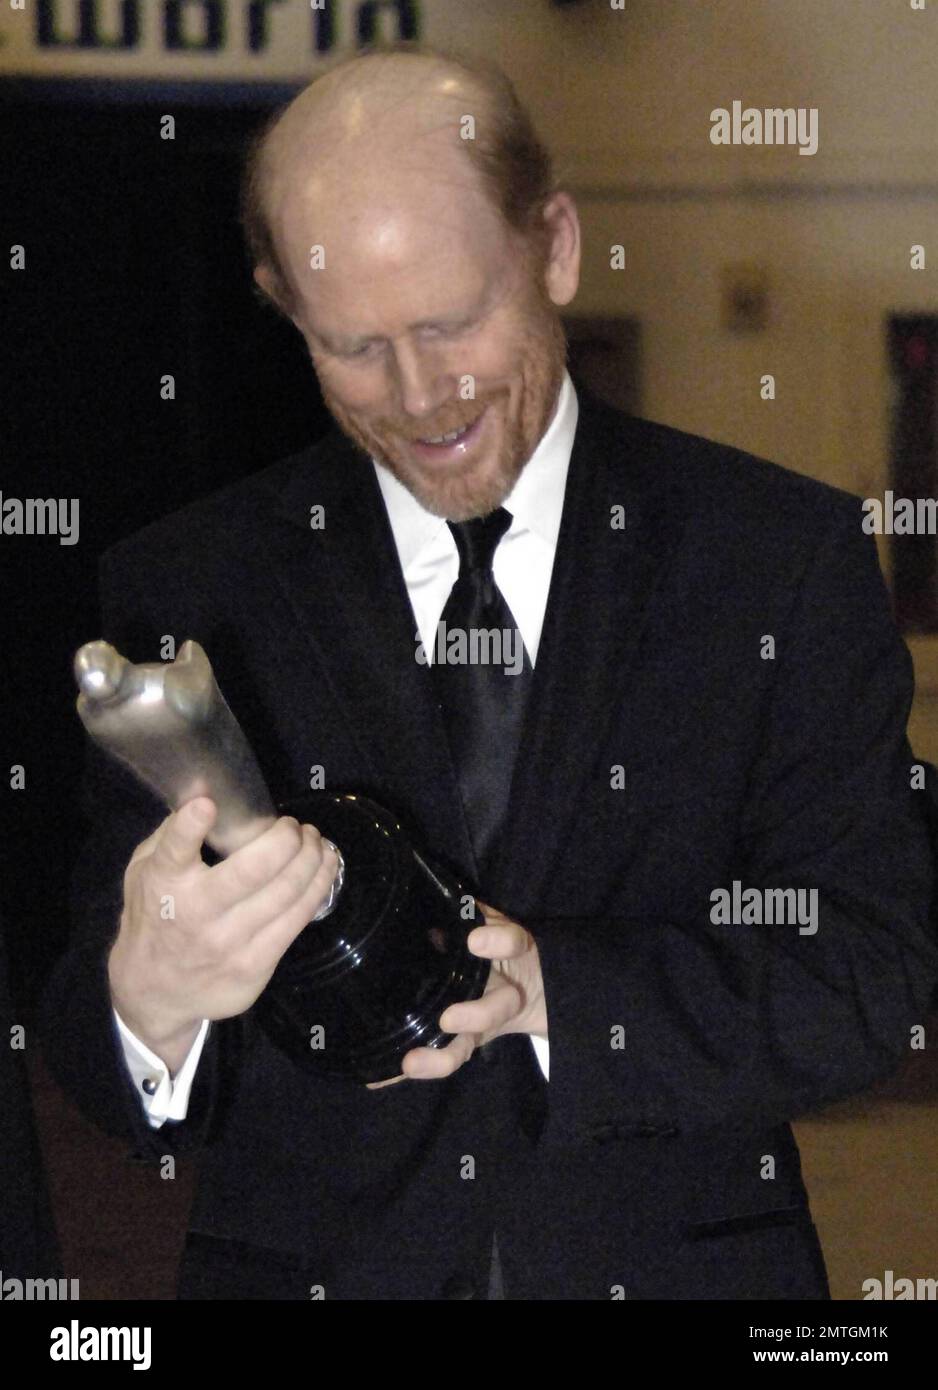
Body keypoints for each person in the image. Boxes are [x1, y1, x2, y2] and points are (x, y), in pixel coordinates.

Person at [42, 41, 938, 1300]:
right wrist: (150, 998)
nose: (421, 397)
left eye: (453, 322)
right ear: (280, 305)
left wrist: (559, 993)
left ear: (555, 247)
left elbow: (874, 968)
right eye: (351, 346)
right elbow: (91, 1051)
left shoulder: (774, 563)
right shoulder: (194, 588)